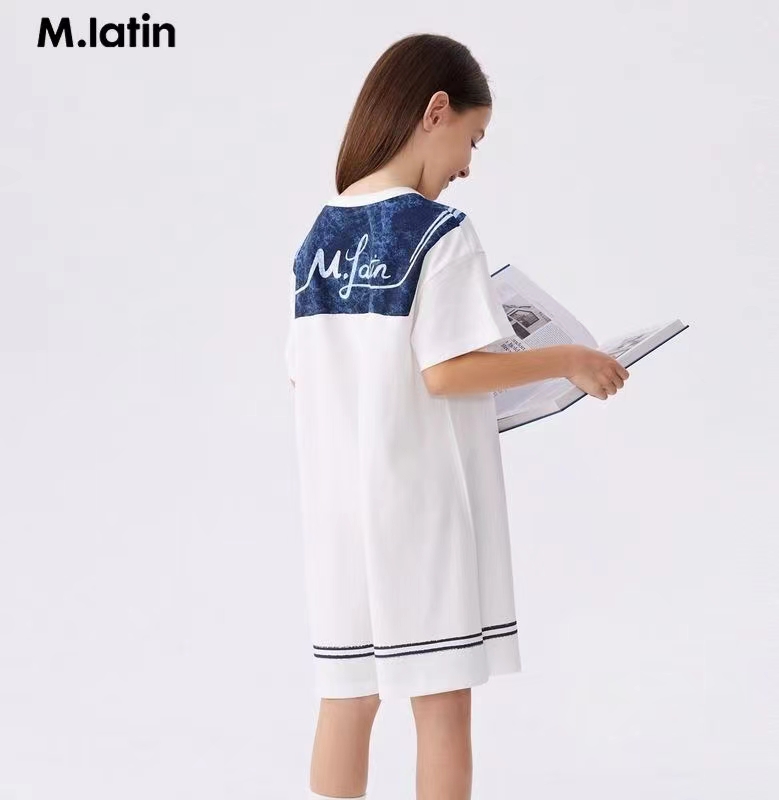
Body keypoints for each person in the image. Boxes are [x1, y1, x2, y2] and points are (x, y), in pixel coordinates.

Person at [284, 33, 630, 800]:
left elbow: (307, 375)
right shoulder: (440, 232)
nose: (468, 165)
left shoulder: (320, 236)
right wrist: (568, 359)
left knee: (348, 699)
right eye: (472, 139)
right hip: (418, 511)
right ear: (435, 111)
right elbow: (446, 372)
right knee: (440, 707)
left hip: (336, 515)